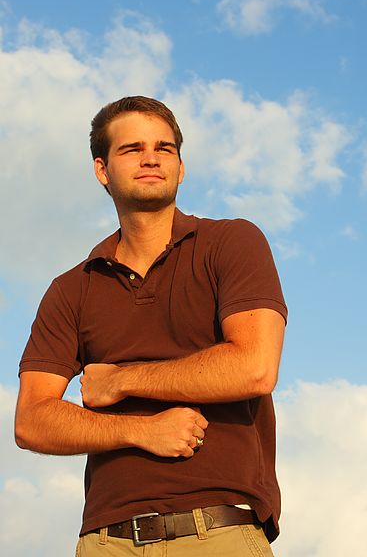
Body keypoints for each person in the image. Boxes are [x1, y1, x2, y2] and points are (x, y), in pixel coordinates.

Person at [15, 96, 287, 556]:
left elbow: (254, 366)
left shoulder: (232, 242)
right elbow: (31, 421)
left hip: (217, 528)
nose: (151, 158)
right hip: (105, 540)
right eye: (132, 148)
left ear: (181, 167)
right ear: (102, 170)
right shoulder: (70, 289)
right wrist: (139, 430)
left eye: (165, 148)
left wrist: (121, 380)